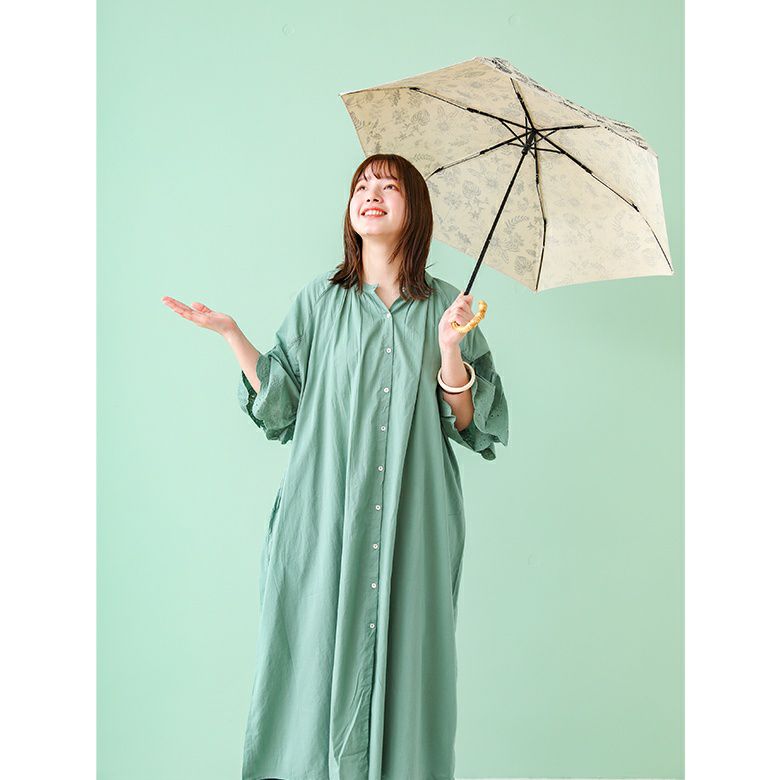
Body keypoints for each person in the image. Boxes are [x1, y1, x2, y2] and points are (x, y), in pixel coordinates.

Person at [161, 153, 510, 780]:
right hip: (323, 512)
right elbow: (282, 407)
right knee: (308, 655)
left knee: (409, 663)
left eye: (389, 186)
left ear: (414, 209)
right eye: (362, 185)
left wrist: (450, 348)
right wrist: (233, 335)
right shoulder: (320, 301)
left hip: (413, 518)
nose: (371, 194)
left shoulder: (448, 308)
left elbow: (469, 423)